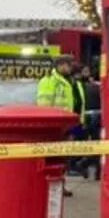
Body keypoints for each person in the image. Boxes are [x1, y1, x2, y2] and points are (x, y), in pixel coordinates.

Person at [36, 55, 78, 196]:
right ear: (60, 65)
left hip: (66, 125)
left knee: (63, 158)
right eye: (69, 65)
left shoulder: (69, 81)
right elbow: (44, 104)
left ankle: (59, 185)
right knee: (51, 157)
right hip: (53, 127)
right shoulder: (49, 80)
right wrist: (47, 125)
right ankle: (47, 185)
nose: (71, 68)